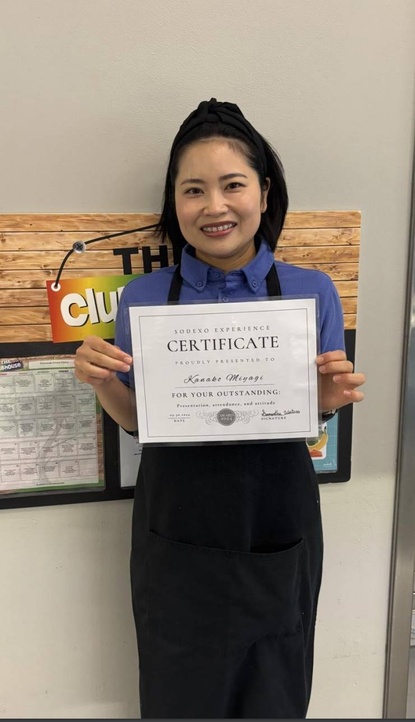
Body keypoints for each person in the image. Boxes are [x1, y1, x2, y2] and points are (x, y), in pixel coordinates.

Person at [74, 99, 365, 719]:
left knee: (275, 686)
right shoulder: (143, 298)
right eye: (193, 190)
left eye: (233, 185)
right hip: (175, 523)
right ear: (173, 203)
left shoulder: (312, 290)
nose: (215, 206)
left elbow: (308, 410)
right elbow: (136, 419)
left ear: (263, 191)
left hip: (276, 519)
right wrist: (100, 381)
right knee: (180, 691)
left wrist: (328, 400)